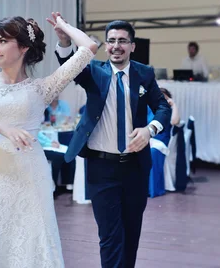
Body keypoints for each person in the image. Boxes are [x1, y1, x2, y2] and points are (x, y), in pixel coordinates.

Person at [0, 14, 97, 267]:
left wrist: (65, 28)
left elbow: (89, 48)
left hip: (30, 178)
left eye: (3, 41)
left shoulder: (41, 88)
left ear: (24, 47)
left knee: (32, 242)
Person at [53, 15, 171, 267]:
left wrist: (149, 130)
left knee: (131, 232)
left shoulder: (145, 74)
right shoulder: (94, 72)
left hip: (135, 167)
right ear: (106, 45)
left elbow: (163, 107)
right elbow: (68, 64)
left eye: (122, 41)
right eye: (111, 41)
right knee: (109, 235)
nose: (116, 46)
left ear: (132, 46)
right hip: (101, 167)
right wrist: (64, 42)